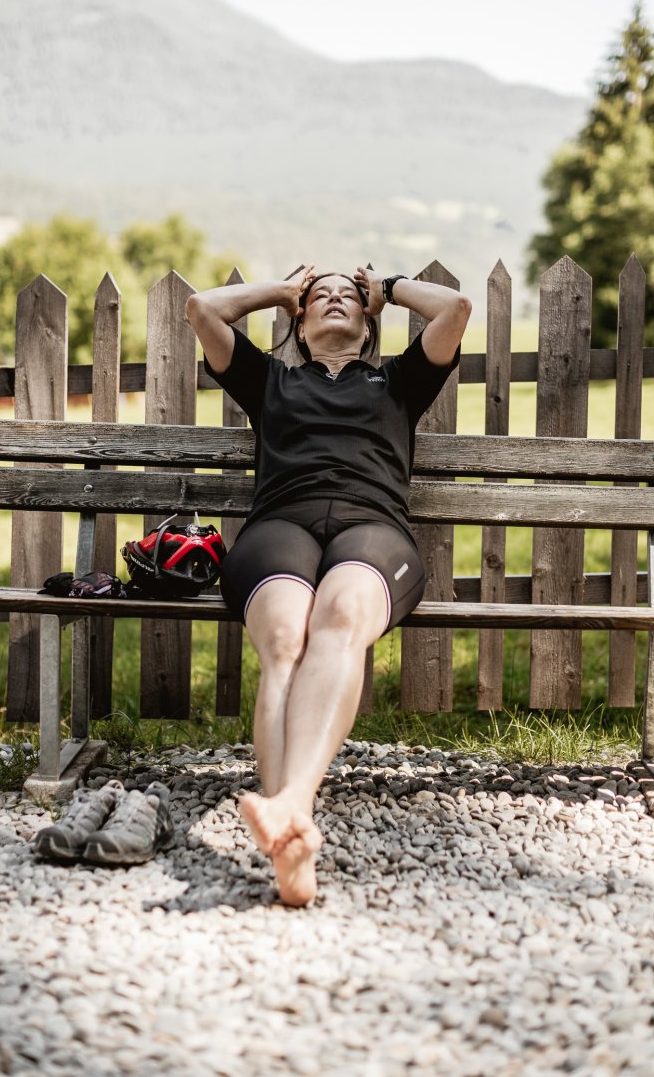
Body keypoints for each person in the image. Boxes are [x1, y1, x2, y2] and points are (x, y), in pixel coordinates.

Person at [186, 265, 471, 905]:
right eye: (319, 295)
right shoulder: (271, 378)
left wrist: (391, 287)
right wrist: (280, 290)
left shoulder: (399, 380)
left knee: (340, 619)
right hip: (281, 526)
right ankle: (292, 833)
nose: (334, 298)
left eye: (348, 294)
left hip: (373, 531)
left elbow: (454, 309)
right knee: (286, 637)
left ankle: (290, 808)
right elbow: (202, 308)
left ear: (368, 320)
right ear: (299, 321)